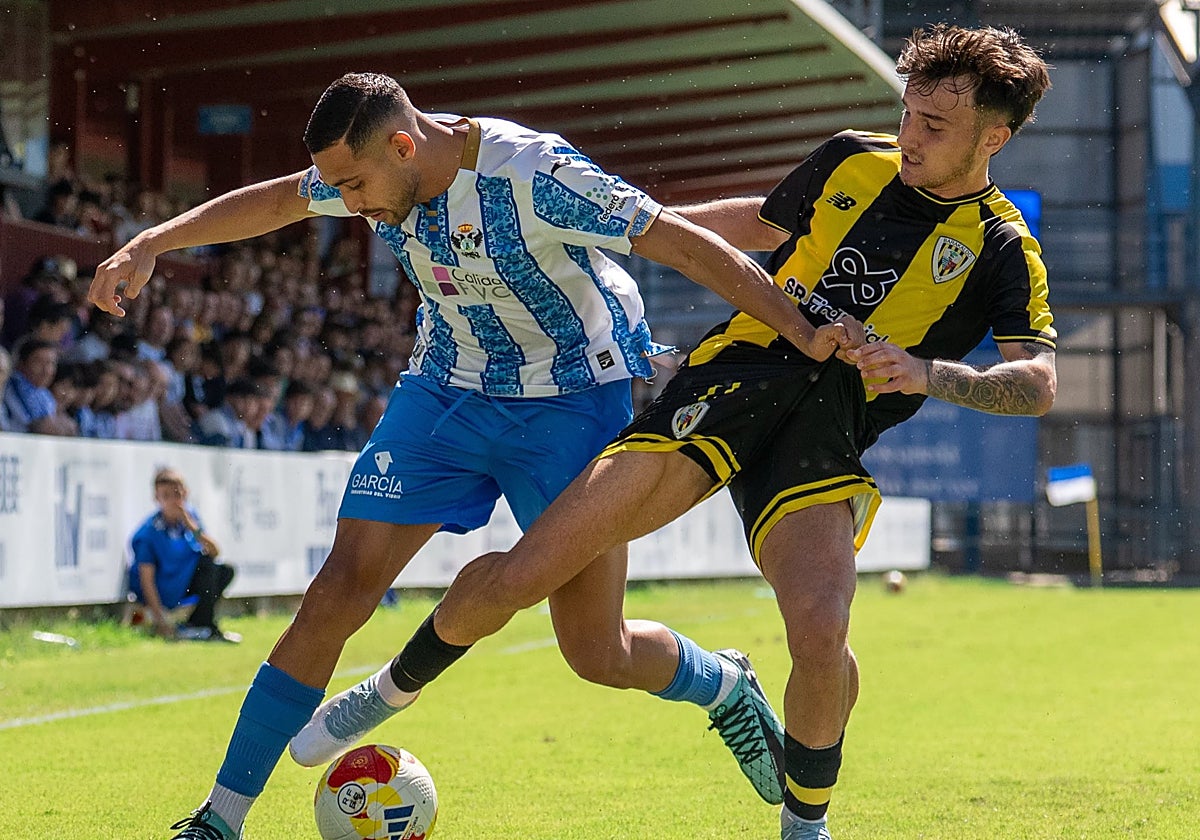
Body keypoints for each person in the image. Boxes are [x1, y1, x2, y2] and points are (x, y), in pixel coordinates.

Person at [298, 25, 1057, 840]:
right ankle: (391, 689)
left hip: (825, 432)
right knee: (530, 570)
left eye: (933, 126)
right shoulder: (851, 158)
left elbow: (1038, 384)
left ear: (993, 137)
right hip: (727, 383)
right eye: (907, 113)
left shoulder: (1004, 247)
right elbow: (760, 224)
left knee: (822, 630)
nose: (909, 134)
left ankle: (805, 826)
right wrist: (627, 231)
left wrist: (927, 373)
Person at [86, 72, 852, 840]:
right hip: (445, 393)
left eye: (354, 186)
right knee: (337, 592)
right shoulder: (367, 172)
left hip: (571, 404)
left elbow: (680, 241)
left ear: (403, 146)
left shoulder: (535, 173)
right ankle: (218, 821)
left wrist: (798, 329)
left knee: (596, 650)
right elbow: (283, 198)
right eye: (338, 188)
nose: (348, 203)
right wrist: (152, 242)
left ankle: (720, 684)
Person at [128, 468, 240, 643]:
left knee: (221, 569)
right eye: (166, 496)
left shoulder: (190, 518)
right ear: (156, 498)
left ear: (186, 493)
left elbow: (215, 552)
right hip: (164, 592)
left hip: (183, 584)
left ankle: (200, 624)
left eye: (177, 494)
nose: (173, 501)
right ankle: (199, 626)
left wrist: (192, 527)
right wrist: (160, 621)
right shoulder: (148, 534)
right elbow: (146, 580)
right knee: (208, 566)